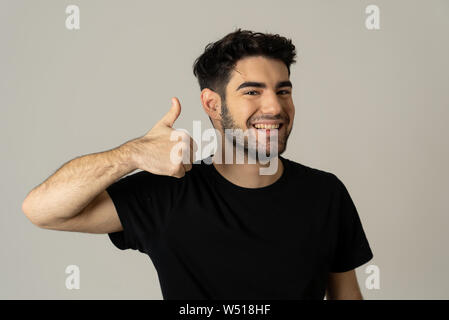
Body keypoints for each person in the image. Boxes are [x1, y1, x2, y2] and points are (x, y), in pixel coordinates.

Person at [22, 28, 373, 300]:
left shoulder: (325, 193)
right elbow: (43, 210)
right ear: (212, 104)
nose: (275, 107)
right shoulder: (168, 192)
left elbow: (347, 294)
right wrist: (131, 154)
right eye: (252, 91)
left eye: (283, 90)